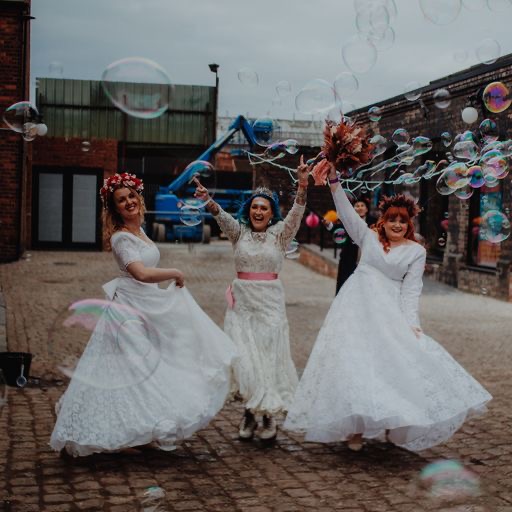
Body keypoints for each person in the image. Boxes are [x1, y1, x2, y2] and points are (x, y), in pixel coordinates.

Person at [284, 164, 491, 452]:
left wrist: (412, 323)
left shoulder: (415, 251)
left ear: (409, 224)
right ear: (382, 221)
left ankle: (395, 419)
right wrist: (334, 182)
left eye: (402, 221)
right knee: (355, 363)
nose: (396, 224)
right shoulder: (366, 237)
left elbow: (411, 290)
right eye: (391, 219)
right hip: (355, 307)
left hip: (388, 310)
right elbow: (345, 213)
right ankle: (355, 429)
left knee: (392, 363)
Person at [50, 172, 237, 457]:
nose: (128, 202)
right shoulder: (121, 238)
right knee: (138, 368)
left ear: (139, 197)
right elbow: (140, 272)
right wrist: (174, 272)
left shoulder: (140, 232)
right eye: (120, 200)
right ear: (114, 208)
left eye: (131, 196)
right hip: (128, 311)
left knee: (136, 369)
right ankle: (107, 428)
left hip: (145, 305)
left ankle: (142, 429)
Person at [194, 157, 310, 442]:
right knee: (246, 360)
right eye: (255, 207)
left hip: (270, 307)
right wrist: (207, 199)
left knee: (268, 360)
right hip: (242, 307)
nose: (259, 211)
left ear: (272, 214)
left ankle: (268, 415)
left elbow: (296, 212)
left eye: (264, 208)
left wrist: (303, 185)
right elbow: (220, 215)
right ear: (250, 210)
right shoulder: (238, 233)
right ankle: (249, 411)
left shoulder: (280, 236)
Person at [323, 195, 377, 294]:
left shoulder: (374, 222)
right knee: (345, 284)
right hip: (349, 258)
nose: (360, 208)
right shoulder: (348, 221)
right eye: (357, 206)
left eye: (362, 205)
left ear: (366, 209)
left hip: (368, 258)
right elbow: (338, 231)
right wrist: (329, 225)